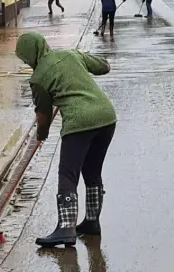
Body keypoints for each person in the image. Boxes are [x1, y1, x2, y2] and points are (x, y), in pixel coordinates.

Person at [16, 32, 116, 248]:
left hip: (79, 122)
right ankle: (92, 222)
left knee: (67, 174)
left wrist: (41, 135)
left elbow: (43, 114)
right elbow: (104, 66)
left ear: (30, 54)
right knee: (92, 171)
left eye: (24, 58)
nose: (26, 63)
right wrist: (80, 61)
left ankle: (66, 228)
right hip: (107, 117)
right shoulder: (71, 54)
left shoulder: (38, 78)